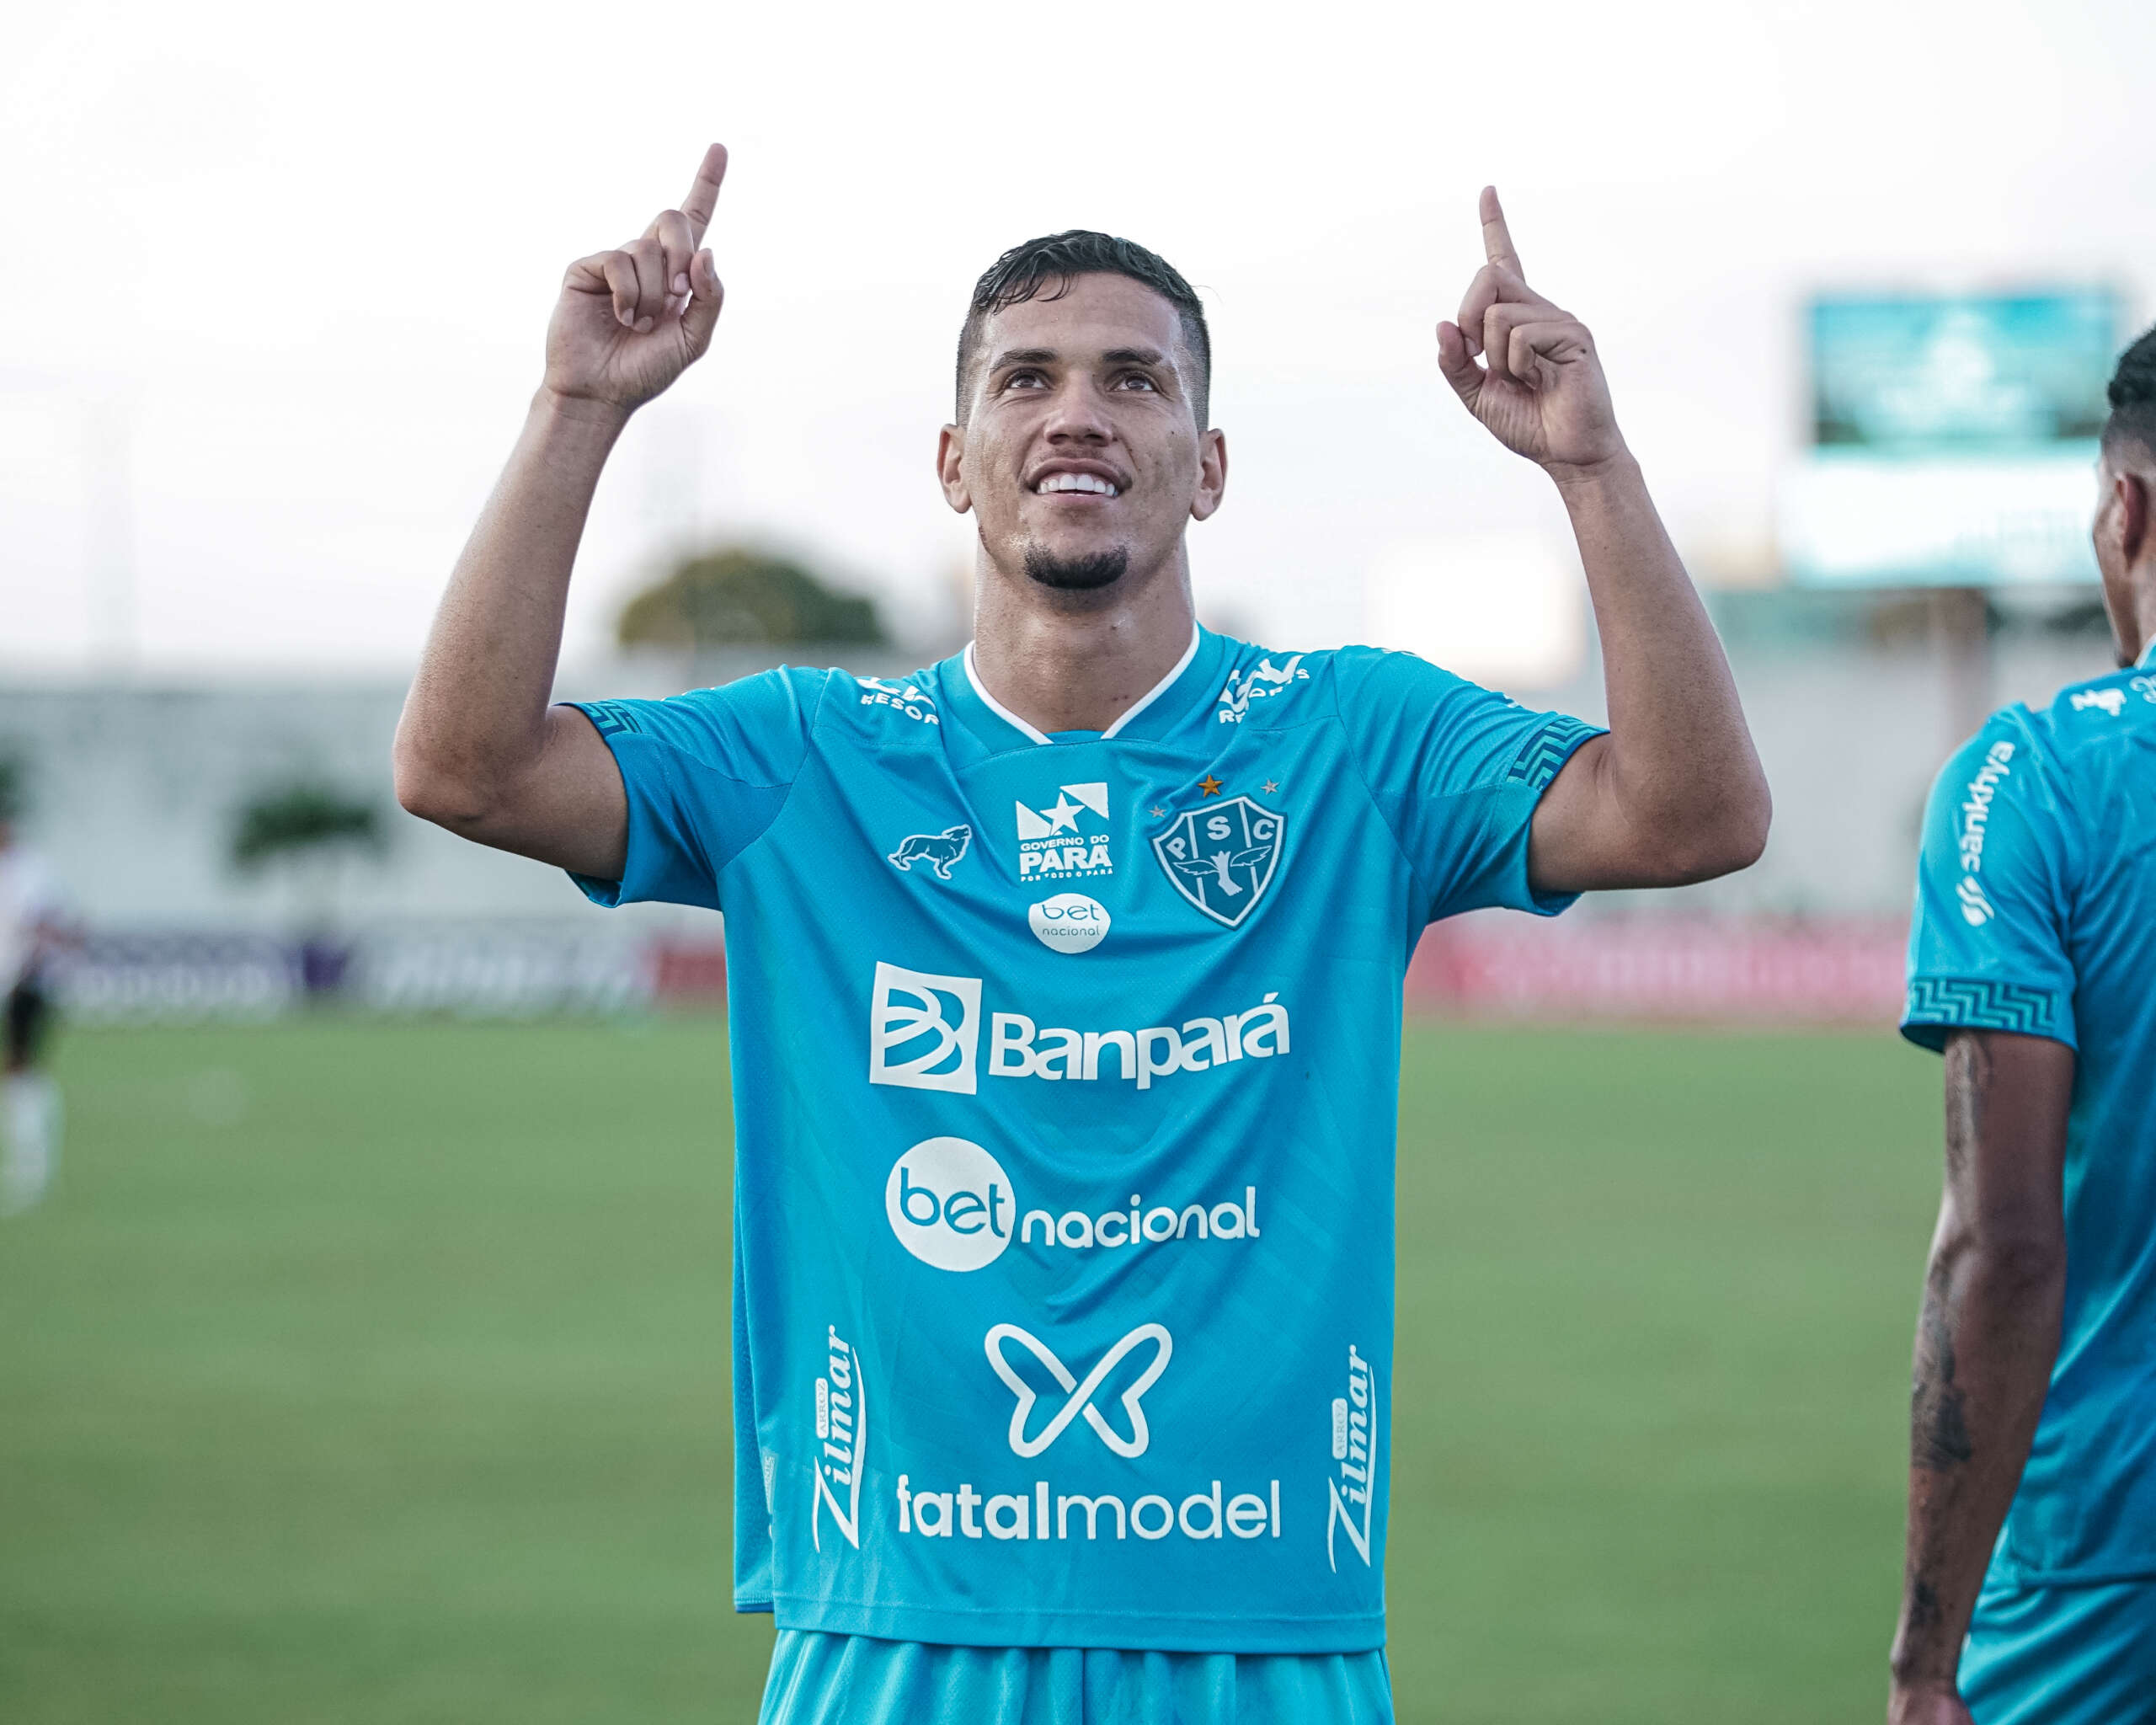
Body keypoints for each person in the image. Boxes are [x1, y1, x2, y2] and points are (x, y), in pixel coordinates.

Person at [394, 144, 1769, 1722]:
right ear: (954, 457)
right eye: (1026, 378)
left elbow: (1692, 815)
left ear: (1207, 462)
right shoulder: (808, 759)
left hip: (1266, 1638)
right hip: (896, 1632)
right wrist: (581, 406)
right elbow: (465, 766)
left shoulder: (1352, 739)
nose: (1078, 413)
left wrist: (1592, 468)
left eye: (1135, 379)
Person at [1888, 326, 2156, 1725]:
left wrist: (1927, 1659)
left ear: (2127, 511)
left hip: (2113, 1561)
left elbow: (2005, 1245)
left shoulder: (2035, 779)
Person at [1, 772, 68, 1217]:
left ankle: (33, 1163)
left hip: (25, 984)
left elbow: (51, 924)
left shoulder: (31, 870)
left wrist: (30, 969)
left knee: (21, 1067)